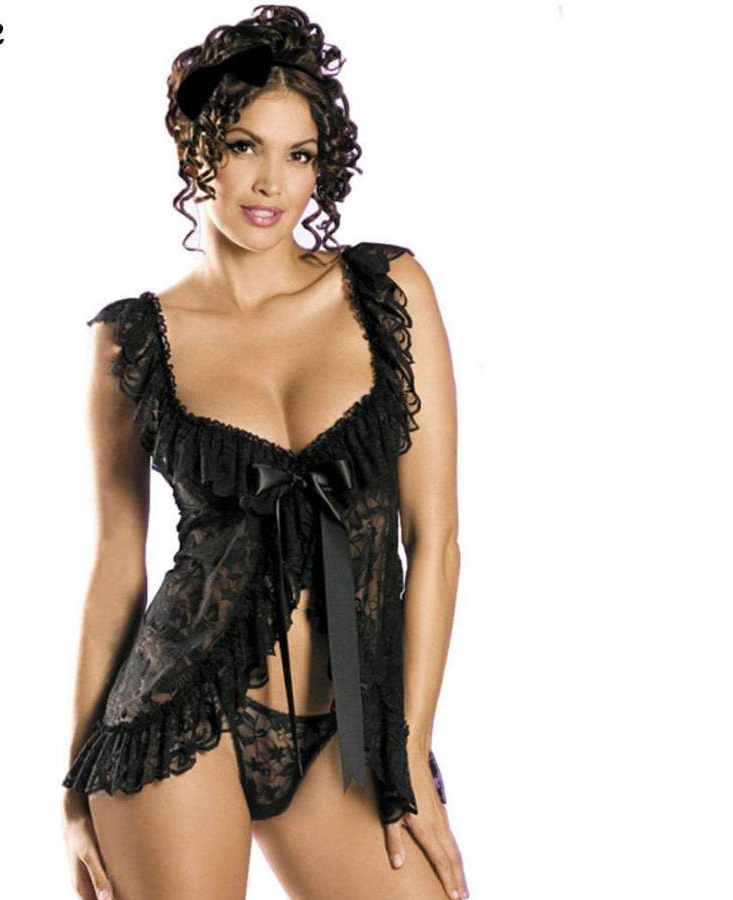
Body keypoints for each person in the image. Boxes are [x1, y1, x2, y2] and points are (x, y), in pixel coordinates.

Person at [60, 6, 466, 899]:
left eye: (300, 155)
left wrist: (409, 751)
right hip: (173, 720)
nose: (272, 183)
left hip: (349, 727)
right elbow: (117, 564)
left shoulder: (387, 290)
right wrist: (70, 786)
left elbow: (435, 539)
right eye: (245, 146)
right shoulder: (134, 341)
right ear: (197, 150)